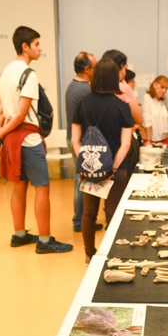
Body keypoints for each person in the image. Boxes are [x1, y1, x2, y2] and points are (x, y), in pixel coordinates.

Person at [0, 26, 73, 254]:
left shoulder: (6, 72)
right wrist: (5, 132)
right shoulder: (28, 74)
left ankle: (19, 235)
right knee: (42, 188)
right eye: (37, 44)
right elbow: (20, 114)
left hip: (12, 142)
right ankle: (45, 241)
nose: (40, 48)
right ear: (25, 47)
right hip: (28, 138)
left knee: (19, 187)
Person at [71, 58, 133, 262]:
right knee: (113, 211)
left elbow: (75, 139)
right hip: (116, 170)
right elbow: (126, 144)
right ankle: (114, 255)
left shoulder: (82, 103)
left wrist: (87, 163)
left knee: (89, 213)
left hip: (90, 169)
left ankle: (89, 254)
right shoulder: (122, 107)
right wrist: (112, 168)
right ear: (115, 79)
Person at [65, 52, 103, 233]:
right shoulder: (85, 90)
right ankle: (81, 220)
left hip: (73, 138)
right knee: (83, 181)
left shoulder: (72, 86)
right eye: (95, 67)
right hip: (81, 140)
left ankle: (80, 219)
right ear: (87, 69)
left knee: (78, 180)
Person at [102, 50, 143, 178]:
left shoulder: (94, 87)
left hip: (99, 145)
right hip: (120, 144)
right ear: (121, 67)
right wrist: (126, 86)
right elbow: (139, 118)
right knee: (120, 189)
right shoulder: (123, 88)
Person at [142, 75, 168, 145]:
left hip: (165, 137)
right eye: (162, 87)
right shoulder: (147, 98)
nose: (164, 90)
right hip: (152, 138)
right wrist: (149, 139)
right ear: (154, 85)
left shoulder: (164, 99)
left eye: (166, 88)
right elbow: (147, 120)